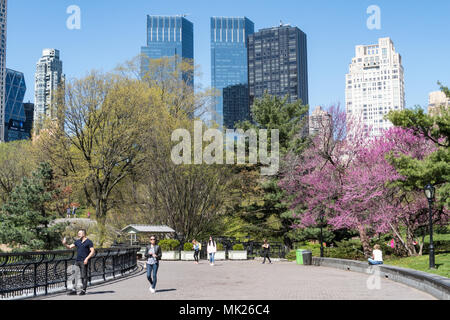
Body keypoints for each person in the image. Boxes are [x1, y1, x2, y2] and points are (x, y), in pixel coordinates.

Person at [62, 229, 95, 296]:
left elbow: (92, 251)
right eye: (78, 233)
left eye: (79, 233)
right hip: (77, 260)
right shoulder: (77, 241)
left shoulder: (89, 242)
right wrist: (65, 244)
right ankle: (74, 290)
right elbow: (70, 247)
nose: (78, 235)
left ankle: (83, 290)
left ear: (84, 234)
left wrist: (87, 259)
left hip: (84, 261)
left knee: (83, 276)